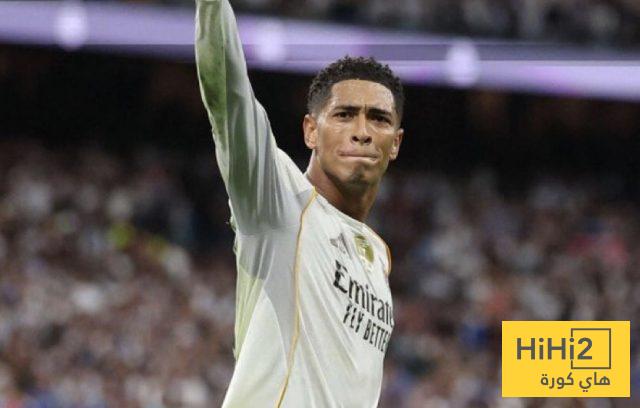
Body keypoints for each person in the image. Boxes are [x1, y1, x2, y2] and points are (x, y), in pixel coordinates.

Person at [195, 0, 404, 406]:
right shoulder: (279, 201)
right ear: (311, 130)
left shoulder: (378, 255)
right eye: (344, 115)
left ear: (395, 143)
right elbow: (227, 95)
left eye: (378, 118)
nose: (362, 131)